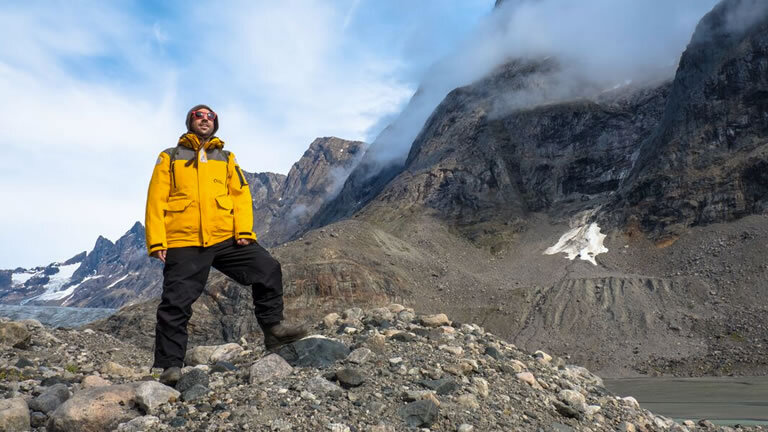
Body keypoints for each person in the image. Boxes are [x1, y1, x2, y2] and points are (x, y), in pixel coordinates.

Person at [145, 104, 307, 385]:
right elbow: (155, 200)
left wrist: (244, 230)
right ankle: (170, 365)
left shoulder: (227, 158)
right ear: (189, 121)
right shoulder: (169, 157)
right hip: (184, 239)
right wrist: (157, 240)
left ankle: (273, 329)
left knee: (267, 268)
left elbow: (240, 195)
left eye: (210, 116)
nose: (205, 119)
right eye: (199, 115)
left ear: (215, 124)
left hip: (225, 236)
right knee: (175, 302)